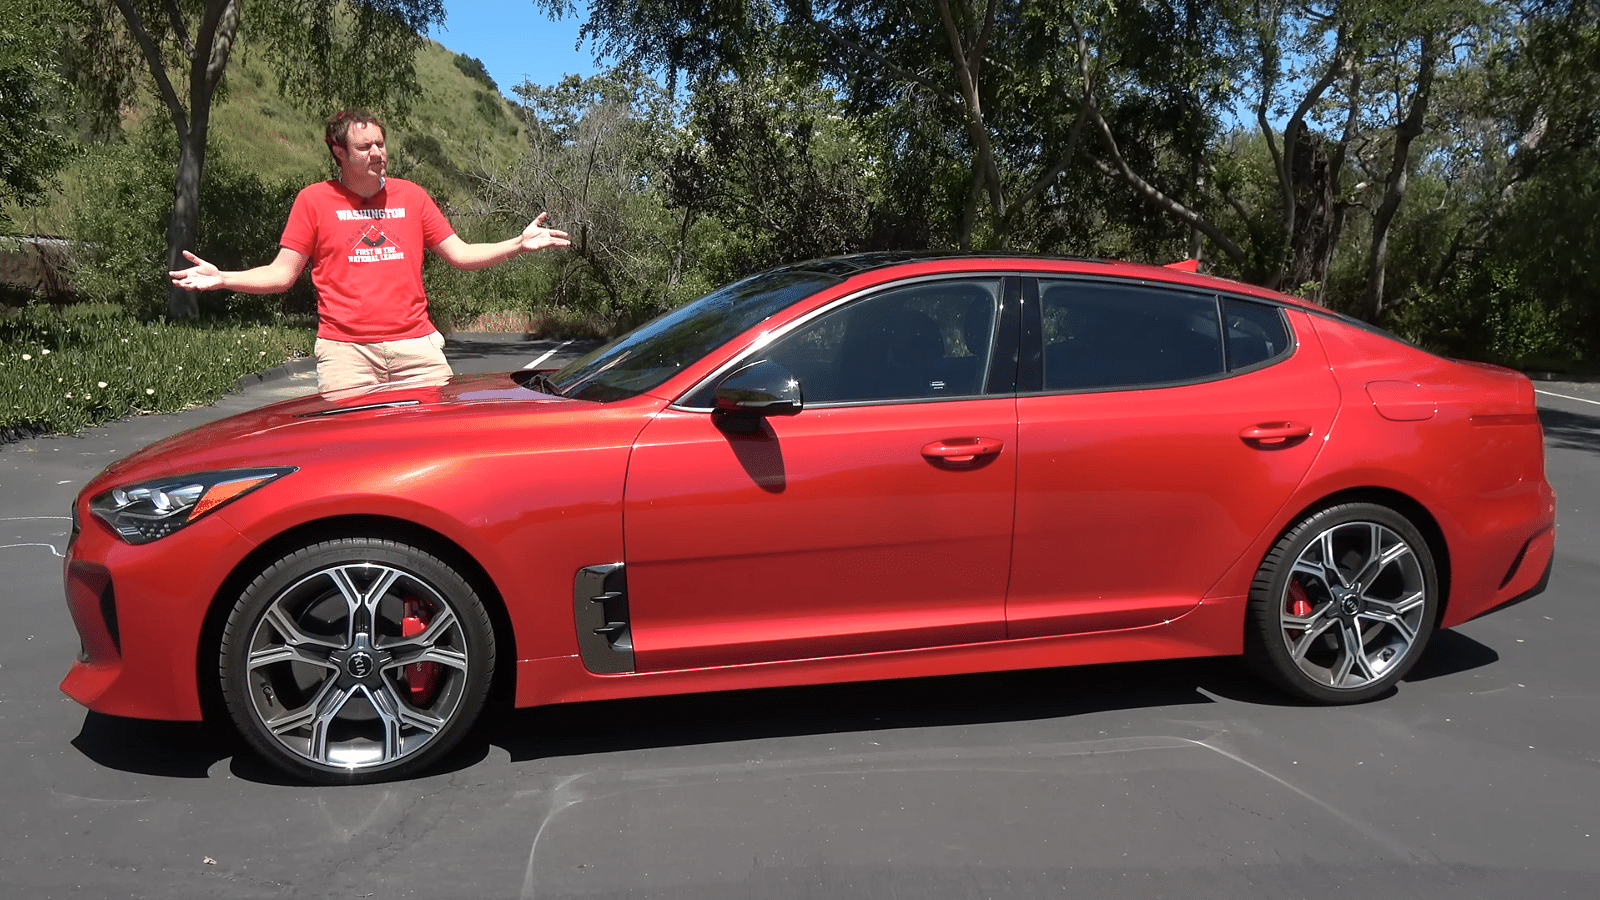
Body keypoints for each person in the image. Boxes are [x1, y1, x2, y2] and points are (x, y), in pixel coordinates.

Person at [168, 108, 570, 393]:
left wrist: (517, 244)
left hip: (417, 349)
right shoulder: (314, 200)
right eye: (365, 147)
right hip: (347, 356)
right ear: (339, 153)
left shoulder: (411, 196)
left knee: (431, 449)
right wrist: (224, 278)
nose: (377, 153)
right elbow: (281, 274)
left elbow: (460, 254)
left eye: (380, 143)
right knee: (353, 456)